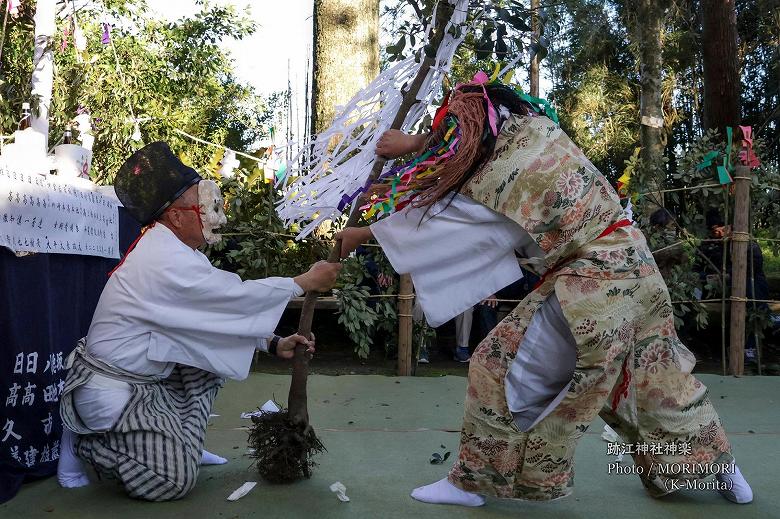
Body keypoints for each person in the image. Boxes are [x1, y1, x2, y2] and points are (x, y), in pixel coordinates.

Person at [337, 77, 752, 506]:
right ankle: (723, 468)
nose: (448, 142)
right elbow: (468, 155)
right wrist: (414, 144)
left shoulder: (509, 173)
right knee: (658, 380)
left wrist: (366, 231)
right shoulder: (543, 135)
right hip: (639, 272)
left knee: (498, 363)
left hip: (593, 283)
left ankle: (471, 483)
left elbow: (457, 218)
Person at [57, 142, 341, 501]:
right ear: (176, 217)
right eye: (202, 207)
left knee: (208, 364)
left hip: (144, 382)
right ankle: (86, 441)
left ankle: (180, 443)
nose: (213, 216)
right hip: (112, 393)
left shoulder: (175, 251)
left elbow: (215, 314)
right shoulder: (162, 258)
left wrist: (272, 342)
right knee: (173, 482)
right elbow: (231, 296)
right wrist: (301, 282)